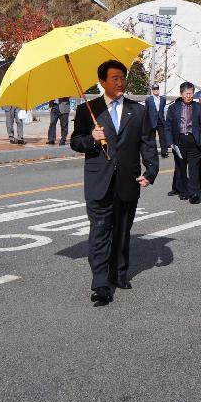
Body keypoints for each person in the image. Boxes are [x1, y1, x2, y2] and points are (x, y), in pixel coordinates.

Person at [69, 59, 158, 306]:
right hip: (99, 181)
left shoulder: (137, 110)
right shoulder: (89, 110)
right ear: (102, 82)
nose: (120, 83)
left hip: (128, 180)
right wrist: (91, 139)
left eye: (122, 78)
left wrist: (151, 170)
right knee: (99, 233)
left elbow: (147, 143)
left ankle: (119, 273)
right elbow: (76, 142)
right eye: (115, 78)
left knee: (121, 231)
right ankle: (100, 284)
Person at [164, 82, 201, 205]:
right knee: (181, 167)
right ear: (181, 93)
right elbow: (168, 126)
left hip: (194, 140)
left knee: (194, 168)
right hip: (179, 140)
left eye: (191, 93)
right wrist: (170, 142)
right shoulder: (173, 108)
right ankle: (183, 191)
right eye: (187, 93)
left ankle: (195, 193)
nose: (189, 96)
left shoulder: (198, 107)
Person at [144, 84, 168, 158]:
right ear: (152, 90)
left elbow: (163, 107)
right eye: (154, 89)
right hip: (152, 121)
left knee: (162, 137)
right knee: (152, 138)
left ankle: (164, 152)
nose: (156, 90)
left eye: (157, 89)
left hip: (160, 120)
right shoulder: (148, 99)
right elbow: (146, 110)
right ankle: (153, 153)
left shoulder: (163, 99)